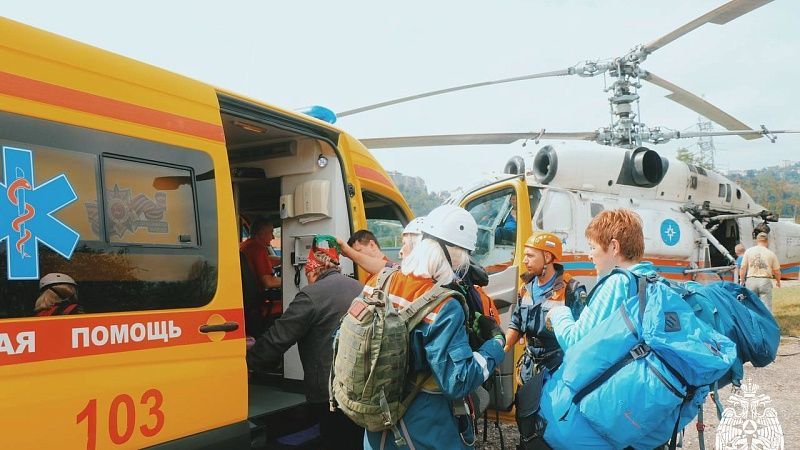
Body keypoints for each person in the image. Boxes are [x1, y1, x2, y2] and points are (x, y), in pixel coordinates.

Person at [363, 205, 506, 450]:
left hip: (375, 419)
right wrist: (495, 346)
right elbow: (457, 381)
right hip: (421, 425)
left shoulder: (379, 282)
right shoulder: (443, 305)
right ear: (455, 252)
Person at [246, 236, 364, 449]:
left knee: (334, 439)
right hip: (362, 386)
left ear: (311, 270)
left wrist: (249, 362)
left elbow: (279, 338)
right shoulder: (360, 288)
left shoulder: (311, 295)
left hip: (329, 393)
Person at [504, 232, 585, 383]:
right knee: (525, 406)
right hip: (529, 368)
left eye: (530, 256)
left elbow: (582, 336)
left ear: (547, 257)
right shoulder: (525, 288)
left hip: (558, 369)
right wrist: (502, 349)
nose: (524, 260)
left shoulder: (572, 290)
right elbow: (516, 323)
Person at [240, 219, 282, 318]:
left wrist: (283, 260)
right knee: (291, 305)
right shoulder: (258, 249)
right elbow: (269, 282)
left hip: (248, 303)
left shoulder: (246, 246)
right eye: (271, 232)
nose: (273, 237)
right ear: (261, 233)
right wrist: (292, 280)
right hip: (257, 305)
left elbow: (267, 260)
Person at [740, 232, 781, 311]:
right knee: (767, 307)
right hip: (765, 281)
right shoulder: (771, 253)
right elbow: (777, 271)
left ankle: (753, 322)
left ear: (756, 240)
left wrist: (742, 280)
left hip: (751, 280)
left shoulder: (748, 251)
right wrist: (778, 281)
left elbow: (743, 268)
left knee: (751, 306)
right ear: (767, 241)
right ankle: (767, 322)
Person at [338, 227, 403, 275]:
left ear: (372, 245)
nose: (356, 257)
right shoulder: (371, 274)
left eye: (358, 251)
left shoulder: (394, 271)